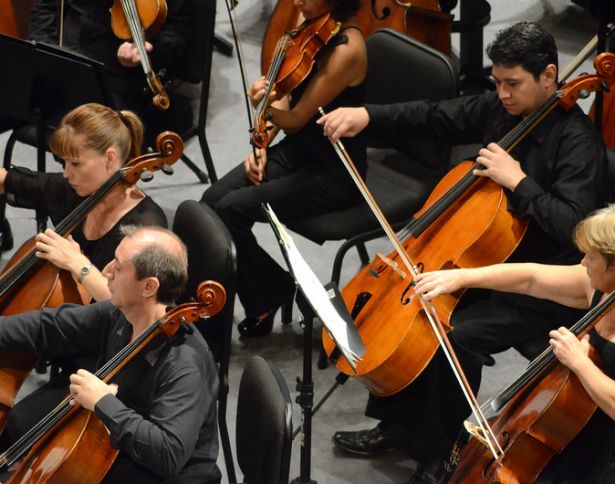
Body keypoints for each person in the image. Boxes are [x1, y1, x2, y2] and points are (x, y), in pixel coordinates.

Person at [319, 21, 606, 483]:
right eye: (497, 83)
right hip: (479, 260)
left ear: (549, 76)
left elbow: (576, 229)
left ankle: (440, 452)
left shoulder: (578, 143)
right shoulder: (500, 110)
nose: (503, 94)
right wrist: (367, 116)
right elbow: (435, 114)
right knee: (416, 306)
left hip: (540, 280)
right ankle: (396, 426)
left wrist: (520, 182)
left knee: (456, 332)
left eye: (514, 84)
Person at [414, 204, 615, 483]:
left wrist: (578, 360)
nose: (583, 263)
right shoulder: (607, 284)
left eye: (590, 257)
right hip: (590, 417)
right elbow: (531, 279)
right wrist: (461, 277)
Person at [0, 226, 221, 483]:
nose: (106, 271)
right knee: (22, 421)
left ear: (149, 286)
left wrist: (104, 403)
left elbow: (168, 454)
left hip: (166, 474)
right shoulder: (122, 315)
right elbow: (49, 327)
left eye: (118, 266)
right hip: (121, 445)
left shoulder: (185, 364)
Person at [0, 102, 168, 440]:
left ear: (109, 158)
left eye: (75, 163)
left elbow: (141, 313)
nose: (66, 172)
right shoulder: (77, 192)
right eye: (64, 162)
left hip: (106, 358)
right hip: (65, 331)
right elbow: (16, 181)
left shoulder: (146, 227)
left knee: (18, 425)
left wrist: (79, 266)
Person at [201, 0, 367, 338]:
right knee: (211, 200)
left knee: (229, 208)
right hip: (297, 153)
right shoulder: (306, 23)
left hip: (333, 171)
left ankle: (266, 295)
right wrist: (261, 143)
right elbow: (286, 96)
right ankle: (269, 290)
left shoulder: (346, 50)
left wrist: (262, 106)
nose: (295, 1)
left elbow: (294, 119)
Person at [27, 0, 193, 147]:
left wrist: (144, 53)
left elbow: (177, 35)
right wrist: (47, 54)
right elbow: (45, 9)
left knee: (85, 135)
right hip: (74, 61)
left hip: (126, 76)